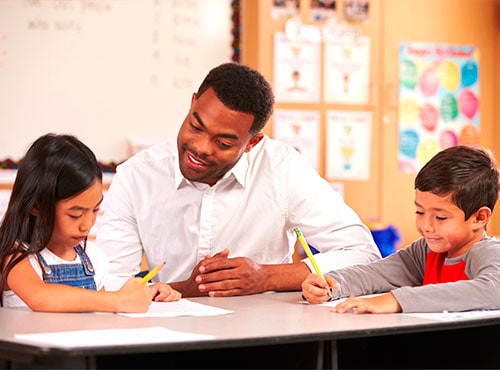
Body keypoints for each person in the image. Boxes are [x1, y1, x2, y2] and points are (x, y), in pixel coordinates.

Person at [96, 62, 381, 298]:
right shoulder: (137, 176)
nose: (201, 147)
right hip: (170, 343)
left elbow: (363, 253)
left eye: (223, 142)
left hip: (266, 342)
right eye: (196, 126)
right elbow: (108, 283)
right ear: (193, 103)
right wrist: (187, 289)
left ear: (252, 142)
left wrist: (266, 277)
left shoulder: (282, 168)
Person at [302, 145, 500, 313]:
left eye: (440, 217)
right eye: (419, 212)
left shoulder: (489, 252)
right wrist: (333, 283)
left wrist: (397, 300)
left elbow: (494, 290)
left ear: (479, 218)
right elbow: (378, 273)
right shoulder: (424, 251)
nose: (426, 226)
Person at [0, 133, 181, 312]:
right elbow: (40, 297)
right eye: (75, 214)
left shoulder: (92, 258)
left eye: (95, 210)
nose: (87, 224)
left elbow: (99, 306)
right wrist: (118, 300)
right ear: (36, 207)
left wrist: (146, 293)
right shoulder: (16, 255)